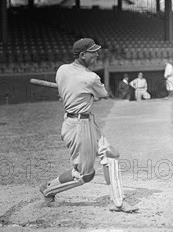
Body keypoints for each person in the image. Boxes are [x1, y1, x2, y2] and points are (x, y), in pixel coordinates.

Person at [39, 38, 137, 213]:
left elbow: (65, 91)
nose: (97, 55)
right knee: (84, 175)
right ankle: (48, 189)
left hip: (86, 120)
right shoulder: (91, 78)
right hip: (78, 126)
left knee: (111, 154)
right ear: (83, 55)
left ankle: (118, 202)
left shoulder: (62, 70)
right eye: (93, 52)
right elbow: (103, 95)